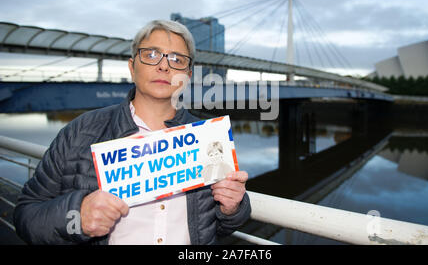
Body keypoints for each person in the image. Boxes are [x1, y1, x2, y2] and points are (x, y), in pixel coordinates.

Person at [13, 20, 251, 245]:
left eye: (177, 59)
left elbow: (217, 226)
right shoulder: (80, 132)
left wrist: (232, 208)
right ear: (132, 67)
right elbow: (26, 215)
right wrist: (77, 216)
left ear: (187, 76)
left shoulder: (209, 138)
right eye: (151, 54)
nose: (164, 65)